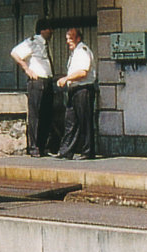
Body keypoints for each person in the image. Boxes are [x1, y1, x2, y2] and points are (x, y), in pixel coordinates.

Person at [11, 19, 55, 157]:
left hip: (47, 81)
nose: (51, 32)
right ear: (42, 30)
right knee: (36, 115)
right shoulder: (33, 42)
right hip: (37, 81)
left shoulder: (46, 44)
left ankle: (43, 146)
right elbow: (15, 53)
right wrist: (26, 69)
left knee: (46, 115)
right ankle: (34, 147)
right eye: (49, 29)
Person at [56, 27, 97, 160]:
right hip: (74, 90)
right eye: (67, 39)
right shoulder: (75, 53)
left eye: (71, 38)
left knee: (85, 121)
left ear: (78, 38)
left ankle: (88, 151)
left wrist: (66, 79)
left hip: (83, 89)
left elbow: (82, 72)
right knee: (70, 121)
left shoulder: (82, 51)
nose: (68, 41)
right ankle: (66, 151)